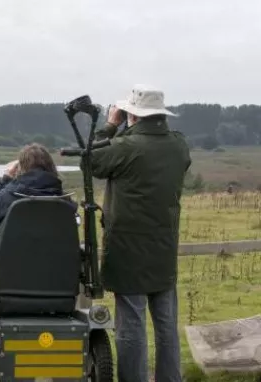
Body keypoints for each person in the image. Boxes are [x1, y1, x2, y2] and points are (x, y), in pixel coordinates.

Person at [90, 84, 192, 382]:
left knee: (131, 324)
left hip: (128, 248)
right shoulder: (178, 145)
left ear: (131, 115)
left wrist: (110, 125)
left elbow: (92, 160)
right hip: (163, 245)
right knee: (166, 325)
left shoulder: (126, 147)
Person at [0, 143, 77, 288]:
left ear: (21, 169)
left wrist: (5, 180)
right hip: (56, 286)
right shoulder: (65, 203)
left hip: (9, 285)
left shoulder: (9, 196)